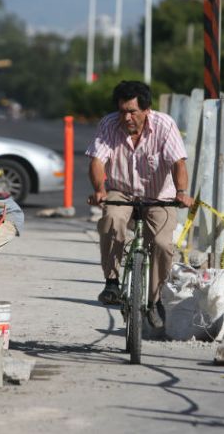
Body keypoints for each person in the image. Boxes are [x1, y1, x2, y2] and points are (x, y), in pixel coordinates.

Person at [86, 80, 194, 329]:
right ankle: (111, 282)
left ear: (146, 109)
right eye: (122, 111)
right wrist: (100, 190)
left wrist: (181, 192)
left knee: (162, 244)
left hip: (160, 196)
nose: (127, 118)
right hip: (121, 192)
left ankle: (155, 300)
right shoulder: (108, 124)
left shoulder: (165, 125)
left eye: (133, 111)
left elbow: (178, 163)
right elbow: (97, 161)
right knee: (111, 220)